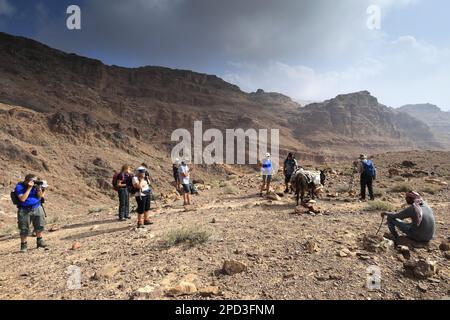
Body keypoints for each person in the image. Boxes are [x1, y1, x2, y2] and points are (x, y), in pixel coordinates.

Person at [14, 174, 47, 252]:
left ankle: (40, 241)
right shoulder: (19, 187)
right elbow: (22, 199)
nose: (34, 182)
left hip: (37, 207)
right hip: (24, 210)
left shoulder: (36, 186)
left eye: (35, 180)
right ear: (26, 181)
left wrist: (39, 189)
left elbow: (40, 197)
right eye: (33, 180)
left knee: (39, 225)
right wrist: (29, 188)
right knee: (24, 228)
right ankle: (23, 245)